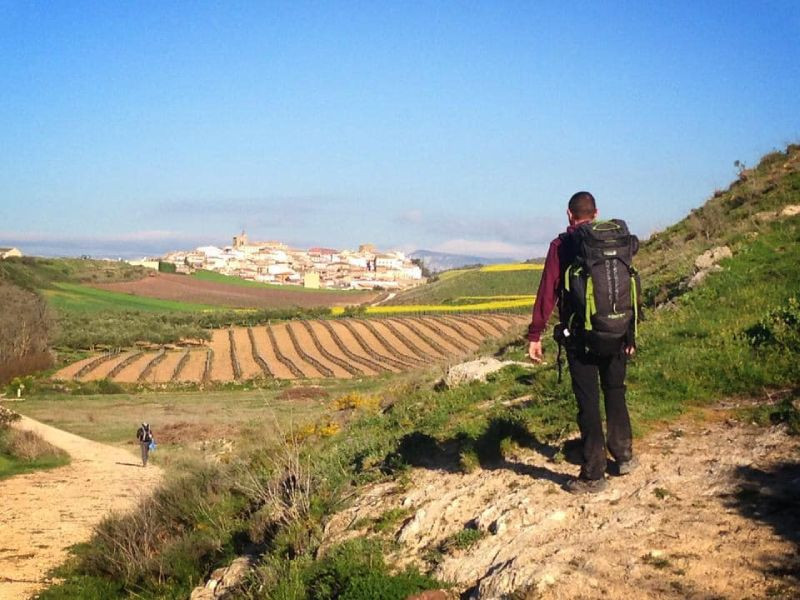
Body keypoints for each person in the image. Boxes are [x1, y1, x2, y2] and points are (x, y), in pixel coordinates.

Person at [528, 191, 636, 494]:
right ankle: (624, 455)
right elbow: (625, 291)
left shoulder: (563, 245)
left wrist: (535, 334)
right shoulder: (617, 241)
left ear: (569, 214)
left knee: (588, 401)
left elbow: (547, 291)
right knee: (615, 391)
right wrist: (630, 333)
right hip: (618, 331)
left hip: (581, 337)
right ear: (596, 213)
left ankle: (593, 473)